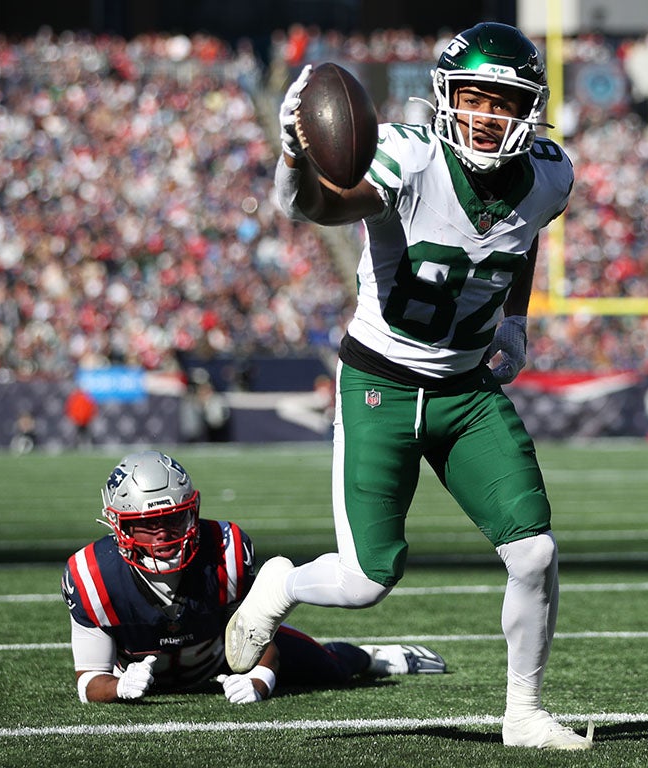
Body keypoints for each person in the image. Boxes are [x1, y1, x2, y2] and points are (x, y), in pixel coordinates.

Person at [225, 23, 592, 751]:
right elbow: (320, 207)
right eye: (475, 97)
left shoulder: (550, 172)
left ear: (530, 110)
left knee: (535, 552)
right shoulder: (410, 156)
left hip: (466, 389)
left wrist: (514, 321)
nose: (486, 114)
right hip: (381, 384)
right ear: (446, 98)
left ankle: (522, 712)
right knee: (366, 580)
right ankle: (280, 584)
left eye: (504, 101)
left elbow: (523, 235)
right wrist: (296, 156)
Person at [61, 450, 445, 704]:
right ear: (118, 526)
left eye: (174, 518)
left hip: (223, 655)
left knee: (330, 667)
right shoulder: (92, 575)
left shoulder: (224, 548)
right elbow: (89, 679)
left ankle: (376, 657)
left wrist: (260, 681)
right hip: (141, 673)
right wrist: (118, 688)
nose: (163, 535)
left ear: (192, 511)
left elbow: (260, 630)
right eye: (146, 525)